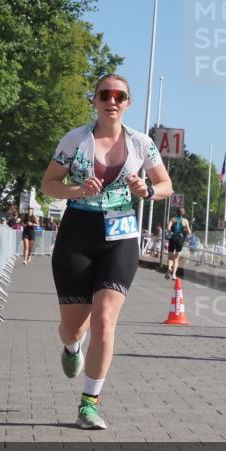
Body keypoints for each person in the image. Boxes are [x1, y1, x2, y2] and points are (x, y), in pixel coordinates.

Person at [42, 74, 172, 429]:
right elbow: (49, 183)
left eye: (120, 95)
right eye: (105, 94)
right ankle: (71, 348)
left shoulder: (142, 144)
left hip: (121, 232)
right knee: (74, 328)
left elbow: (165, 185)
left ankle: (89, 403)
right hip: (78, 232)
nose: (112, 100)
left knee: (104, 319)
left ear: (128, 103)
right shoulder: (76, 140)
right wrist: (77, 190)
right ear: (95, 100)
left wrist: (146, 190)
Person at [166, 208, 191, 280]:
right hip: (180, 238)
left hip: (173, 237)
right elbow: (189, 232)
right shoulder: (185, 221)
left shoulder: (173, 219)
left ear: (176, 212)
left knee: (170, 256)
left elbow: (168, 227)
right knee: (176, 258)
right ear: (183, 213)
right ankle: (174, 275)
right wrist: (185, 230)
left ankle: (169, 268)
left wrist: (171, 231)